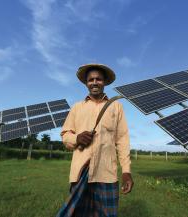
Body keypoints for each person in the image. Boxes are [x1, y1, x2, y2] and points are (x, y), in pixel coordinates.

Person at [56, 63, 133, 217]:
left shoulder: (116, 107)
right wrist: (77, 138)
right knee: (77, 214)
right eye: (91, 80)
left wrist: (126, 171)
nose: (95, 82)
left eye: (99, 79)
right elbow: (65, 135)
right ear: (86, 83)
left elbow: (122, 140)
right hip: (80, 172)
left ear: (104, 82)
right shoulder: (77, 107)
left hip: (106, 173)